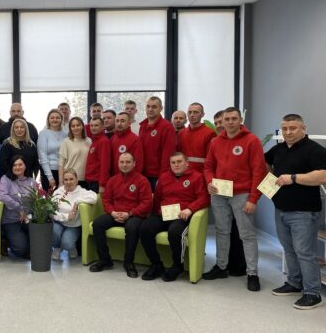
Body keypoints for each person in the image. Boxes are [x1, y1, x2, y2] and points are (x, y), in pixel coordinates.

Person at [265, 114, 326, 309]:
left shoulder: (315, 150)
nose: (288, 132)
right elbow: (264, 161)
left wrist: (293, 178)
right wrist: (270, 177)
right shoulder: (279, 149)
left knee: (305, 253)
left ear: (303, 129)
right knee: (289, 249)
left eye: (293, 128)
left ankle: (312, 293)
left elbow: (323, 175)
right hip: (281, 209)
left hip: (304, 212)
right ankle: (294, 282)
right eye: (285, 129)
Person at [203, 107, 266, 292]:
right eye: (227, 119)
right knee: (222, 231)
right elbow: (208, 166)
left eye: (234, 118)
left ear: (240, 120)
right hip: (219, 193)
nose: (230, 122)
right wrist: (209, 182)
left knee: (247, 235)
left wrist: (253, 198)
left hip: (241, 195)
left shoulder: (252, 141)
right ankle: (221, 267)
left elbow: (259, 171)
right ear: (222, 121)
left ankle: (252, 273)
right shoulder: (216, 142)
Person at [139, 152, 209, 282]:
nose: (176, 165)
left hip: (182, 216)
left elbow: (204, 198)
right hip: (164, 214)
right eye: (173, 162)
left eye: (179, 162)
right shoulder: (164, 177)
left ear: (187, 163)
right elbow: (157, 198)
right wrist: (154, 214)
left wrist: (190, 209)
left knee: (175, 232)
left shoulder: (197, 177)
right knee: (144, 228)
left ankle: (178, 266)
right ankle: (156, 264)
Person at [89, 152, 152, 277]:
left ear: (134, 164)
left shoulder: (142, 180)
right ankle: (105, 260)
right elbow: (106, 200)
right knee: (97, 224)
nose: (124, 165)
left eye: (128, 162)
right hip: (115, 213)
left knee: (132, 227)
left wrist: (130, 213)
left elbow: (147, 203)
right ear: (118, 164)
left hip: (134, 215)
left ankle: (128, 263)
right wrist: (112, 212)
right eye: (122, 162)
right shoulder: (112, 180)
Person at [50, 169, 97, 261]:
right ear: (63, 181)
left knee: (67, 243)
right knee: (53, 232)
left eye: (71, 179)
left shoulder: (82, 191)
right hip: (59, 223)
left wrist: (77, 201)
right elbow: (52, 211)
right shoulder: (58, 192)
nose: (68, 182)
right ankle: (57, 248)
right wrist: (66, 217)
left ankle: (70, 247)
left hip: (73, 226)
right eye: (66, 180)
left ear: (76, 180)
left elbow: (94, 197)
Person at [0, 155, 38, 258]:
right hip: (11, 220)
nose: (17, 167)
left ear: (25, 166)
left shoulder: (32, 181)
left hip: (27, 218)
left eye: (20, 164)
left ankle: (27, 244)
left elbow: (36, 201)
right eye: (14, 165)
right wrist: (19, 208)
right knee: (20, 249)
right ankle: (6, 240)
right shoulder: (5, 179)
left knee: (39, 240)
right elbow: (2, 196)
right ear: (11, 167)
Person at [138, 96, 177, 190]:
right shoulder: (142, 126)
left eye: (154, 107)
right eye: (148, 106)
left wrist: (163, 177)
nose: (150, 109)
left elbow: (168, 154)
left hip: (157, 176)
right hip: (143, 174)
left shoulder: (167, 127)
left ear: (161, 108)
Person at [177, 102, 216, 173]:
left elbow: (210, 159)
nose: (192, 115)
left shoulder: (210, 133)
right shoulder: (181, 133)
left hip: (201, 175)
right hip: (183, 173)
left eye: (196, 112)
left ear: (202, 114)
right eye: (190, 112)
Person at [37, 109, 68, 191]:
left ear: (61, 119)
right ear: (48, 120)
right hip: (48, 170)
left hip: (63, 170)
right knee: (50, 197)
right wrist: (50, 177)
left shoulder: (65, 134)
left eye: (57, 118)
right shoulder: (43, 133)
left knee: (63, 196)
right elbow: (42, 155)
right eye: (52, 118)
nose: (55, 120)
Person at [58, 116, 91, 188]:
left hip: (86, 179)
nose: (76, 128)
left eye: (78, 125)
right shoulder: (66, 142)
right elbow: (61, 164)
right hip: (70, 179)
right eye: (73, 126)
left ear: (82, 126)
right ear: (70, 128)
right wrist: (61, 182)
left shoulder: (89, 141)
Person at [84, 117, 111, 193]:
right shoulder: (95, 140)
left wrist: (102, 184)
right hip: (90, 180)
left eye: (96, 125)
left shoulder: (103, 141)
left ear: (102, 127)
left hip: (96, 182)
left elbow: (105, 164)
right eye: (92, 125)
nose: (93, 128)